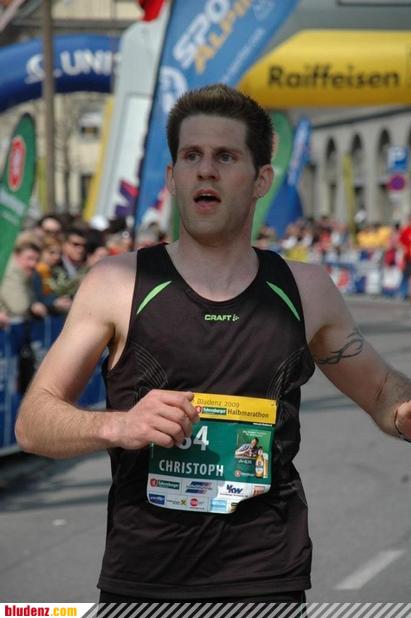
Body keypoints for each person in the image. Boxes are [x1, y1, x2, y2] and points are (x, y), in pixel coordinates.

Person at [15, 84, 411, 606]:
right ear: (172, 177)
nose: (206, 170)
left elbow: (383, 394)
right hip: (144, 584)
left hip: (266, 581)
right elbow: (33, 423)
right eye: (191, 156)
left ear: (261, 179)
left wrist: (404, 411)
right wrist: (119, 425)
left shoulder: (306, 289)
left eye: (225, 156)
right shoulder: (117, 282)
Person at [0, 239, 47, 319]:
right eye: (29, 258)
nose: (33, 264)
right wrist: (33, 307)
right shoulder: (11, 272)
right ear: (16, 256)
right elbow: (19, 307)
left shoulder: (26, 272)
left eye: (37, 260)